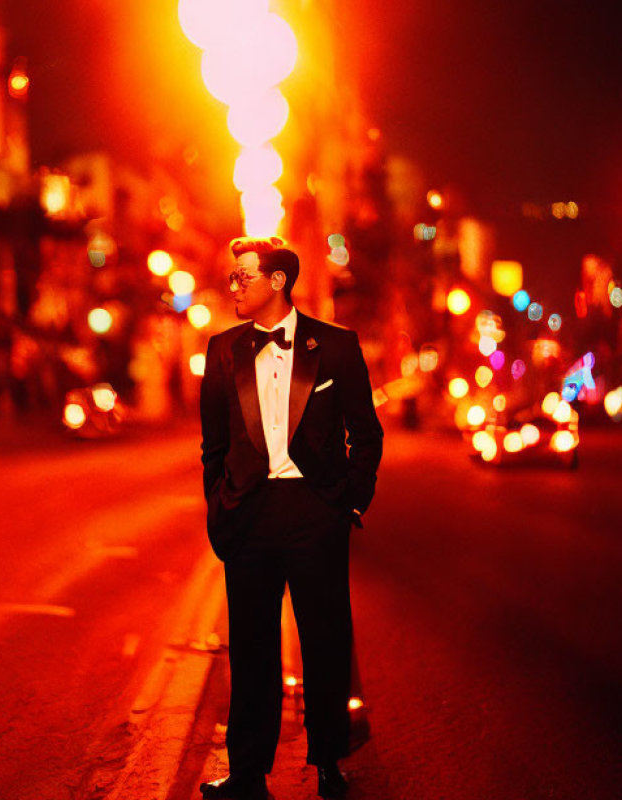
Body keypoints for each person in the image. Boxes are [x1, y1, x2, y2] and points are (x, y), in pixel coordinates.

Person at [198, 237, 383, 800]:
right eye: (232, 277)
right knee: (251, 650)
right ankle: (249, 773)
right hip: (249, 516)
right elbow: (214, 445)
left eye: (243, 277)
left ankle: (329, 763)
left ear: (277, 281)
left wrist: (349, 500)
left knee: (325, 641)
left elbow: (366, 432)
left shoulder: (336, 346)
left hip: (313, 512)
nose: (234, 286)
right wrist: (220, 508)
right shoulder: (222, 349)